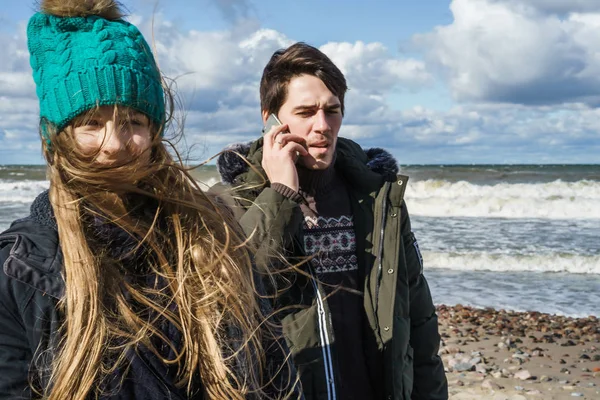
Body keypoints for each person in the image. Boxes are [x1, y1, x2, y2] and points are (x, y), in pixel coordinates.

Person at [0, 1, 300, 399]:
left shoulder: (213, 244)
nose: (115, 145)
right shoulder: (20, 269)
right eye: (91, 122)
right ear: (57, 134)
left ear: (155, 132)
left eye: (134, 122)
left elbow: (275, 378)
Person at [215, 42, 448, 399]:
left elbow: (417, 315)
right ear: (270, 119)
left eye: (332, 110)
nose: (322, 126)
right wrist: (280, 192)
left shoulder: (376, 197)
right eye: (306, 112)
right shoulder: (229, 202)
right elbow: (240, 292)